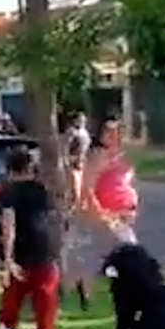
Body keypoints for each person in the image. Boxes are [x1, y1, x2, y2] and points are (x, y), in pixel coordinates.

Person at [70, 117, 139, 310]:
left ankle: (86, 288)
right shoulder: (99, 156)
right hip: (107, 215)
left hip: (122, 214)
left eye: (116, 132)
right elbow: (87, 188)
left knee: (100, 256)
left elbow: (123, 183)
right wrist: (100, 213)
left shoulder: (121, 156)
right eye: (108, 132)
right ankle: (124, 293)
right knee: (130, 252)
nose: (113, 136)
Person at [0, 148, 61, 329]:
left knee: (9, 313)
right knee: (45, 314)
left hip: (22, 256)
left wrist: (8, 260)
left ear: (10, 170)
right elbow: (54, 220)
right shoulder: (43, 191)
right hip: (46, 254)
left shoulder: (10, 192)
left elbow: (9, 226)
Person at [62, 112, 94, 307]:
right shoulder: (79, 171)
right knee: (75, 256)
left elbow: (75, 198)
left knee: (71, 256)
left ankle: (77, 293)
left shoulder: (75, 172)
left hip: (73, 219)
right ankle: (82, 294)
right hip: (78, 219)